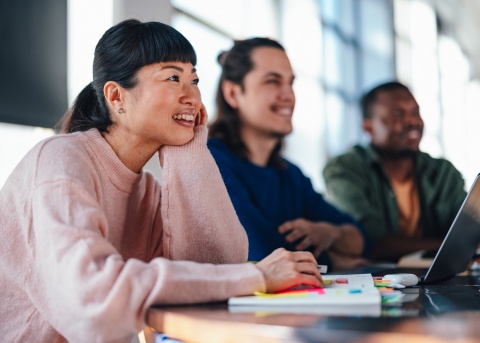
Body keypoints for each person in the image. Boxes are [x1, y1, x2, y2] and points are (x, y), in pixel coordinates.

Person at [0, 20, 322, 342]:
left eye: (194, 80)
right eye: (173, 78)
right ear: (117, 97)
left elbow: (216, 268)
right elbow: (94, 301)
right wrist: (256, 276)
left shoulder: (149, 192)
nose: (192, 96)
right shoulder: (60, 160)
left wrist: (190, 149)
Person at [208, 37, 368, 271]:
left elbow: (362, 240)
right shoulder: (210, 160)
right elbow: (257, 252)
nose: (289, 95)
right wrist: (332, 260)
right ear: (233, 93)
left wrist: (330, 233)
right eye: (273, 81)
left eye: (290, 83)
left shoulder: (290, 176)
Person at [323, 81, 467, 262]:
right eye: (398, 114)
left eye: (416, 112)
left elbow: (467, 231)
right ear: (369, 127)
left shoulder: (443, 173)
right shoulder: (345, 169)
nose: (412, 121)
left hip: (438, 279)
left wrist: (463, 243)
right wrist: (450, 245)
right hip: (373, 280)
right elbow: (373, 242)